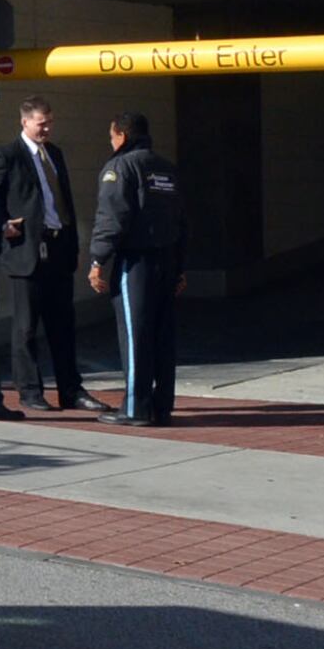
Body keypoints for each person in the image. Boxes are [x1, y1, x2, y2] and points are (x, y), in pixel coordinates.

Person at [0, 99, 83, 414]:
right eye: (41, 123)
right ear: (25, 122)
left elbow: (63, 199)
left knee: (63, 324)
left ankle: (71, 390)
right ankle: (30, 390)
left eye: (50, 122)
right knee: (25, 327)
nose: (47, 128)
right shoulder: (7, 156)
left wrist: (72, 243)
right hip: (26, 251)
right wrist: (2, 225)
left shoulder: (54, 154)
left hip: (58, 247)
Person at [87, 112, 186, 425]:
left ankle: (134, 409)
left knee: (135, 334)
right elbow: (181, 221)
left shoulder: (120, 167)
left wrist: (97, 260)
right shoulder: (167, 169)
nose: (110, 142)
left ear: (122, 135)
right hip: (167, 260)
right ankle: (161, 406)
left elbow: (112, 218)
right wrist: (180, 267)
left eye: (111, 136)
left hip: (136, 263)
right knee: (162, 336)